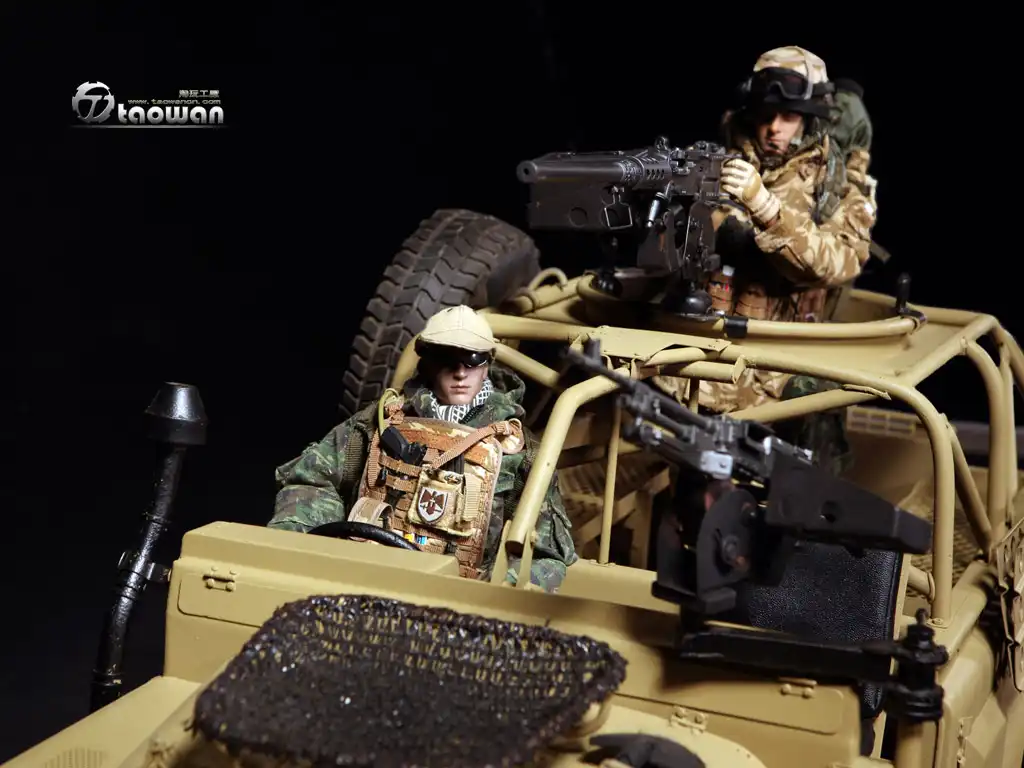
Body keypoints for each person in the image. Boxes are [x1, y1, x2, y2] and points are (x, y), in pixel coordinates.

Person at [267, 305, 578, 592]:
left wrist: (500, 594)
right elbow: (312, 478)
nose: (460, 372)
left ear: (488, 365)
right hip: (363, 579)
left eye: (473, 359)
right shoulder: (379, 423)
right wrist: (310, 552)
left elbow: (547, 555)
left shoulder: (518, 452)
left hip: (460, 599)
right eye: (447, 358)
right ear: (427, 361)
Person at [698, 46, 877, 472]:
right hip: (711, 356)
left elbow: (841, 261)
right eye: (765, 115)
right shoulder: (723, 160)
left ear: (810, 119)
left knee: (804, 477)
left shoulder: (835, 182)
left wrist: (767, 210)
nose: (773, 128)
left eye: (789, 116)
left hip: (786, 364)